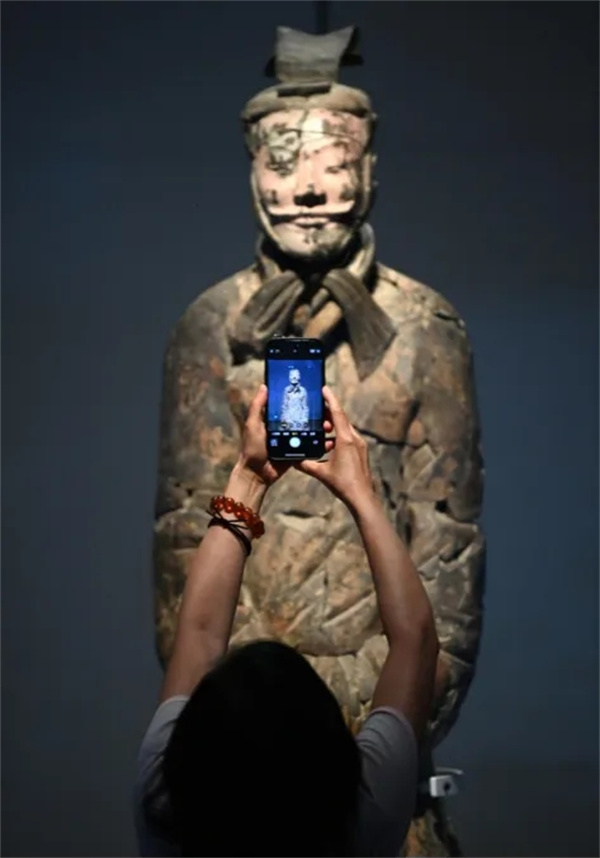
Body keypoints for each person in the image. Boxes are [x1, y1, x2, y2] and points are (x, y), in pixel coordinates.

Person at [135, 384, 439, 857]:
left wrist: (248, 477)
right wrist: (362, 496)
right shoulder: (363, 820)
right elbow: (415, 638)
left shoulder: (165, 808)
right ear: (332, 751)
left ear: (195, 745)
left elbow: (198, 634)